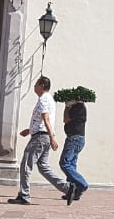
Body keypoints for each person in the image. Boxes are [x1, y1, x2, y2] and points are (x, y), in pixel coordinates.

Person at [8, 75, 71, 205]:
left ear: (42, 85)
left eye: (36, 84)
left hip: (40, 137)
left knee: (26, 165)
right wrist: (30, 130)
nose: (34, 86)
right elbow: (42, 121)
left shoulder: (43, 99)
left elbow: (46, 119)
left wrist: (52, 137)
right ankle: (67, 188)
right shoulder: (49, 99)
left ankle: (24, 195)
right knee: (43, 166)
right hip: (43, 136)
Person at [59, 99, 89, 206]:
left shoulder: (78, 107)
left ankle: (82, 184)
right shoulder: (79, 107)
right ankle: (74, 191)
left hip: (74, 138)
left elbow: (66, 119)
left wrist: (67, 107)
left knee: (65, 163)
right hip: (76, 138)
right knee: (71, 165)